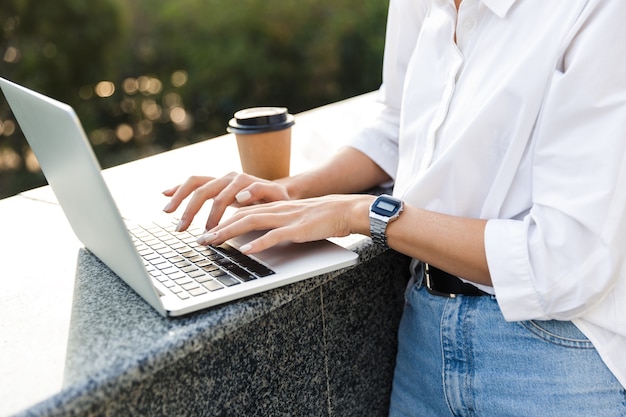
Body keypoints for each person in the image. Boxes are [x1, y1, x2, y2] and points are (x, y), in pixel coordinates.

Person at [163, 0, 626, 415]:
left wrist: (362, 213)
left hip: (553, 360)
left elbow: (564, 264)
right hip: (424, 328)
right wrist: (294, 190)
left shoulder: (599, 12)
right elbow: (397, 125)